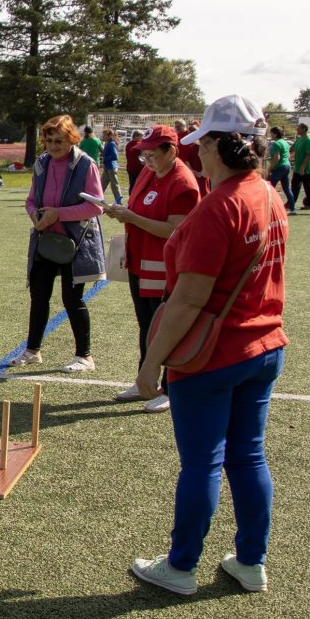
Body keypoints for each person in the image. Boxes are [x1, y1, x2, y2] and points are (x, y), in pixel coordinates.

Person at [130, 94, 287, 597]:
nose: (196, 151)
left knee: (202, 463)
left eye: (202, 143)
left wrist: (151, 363)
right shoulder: (268, 194)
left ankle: (180, 567)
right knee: (249, 457)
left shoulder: (219, 207)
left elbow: (188, 299)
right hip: (264, 344)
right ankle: (251, 561)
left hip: (213, 355)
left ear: (219, 146)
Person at [103, 125, 200, 412]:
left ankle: (171, 388)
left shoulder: (182, 182)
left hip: (163, 268)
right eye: (143, 156)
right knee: (146, 325)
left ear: (171, 151)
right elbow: (139, 210)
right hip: (140, 262)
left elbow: (175, 230)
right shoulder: (148, 173)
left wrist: (132, 217)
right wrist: (122, 214)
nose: (147, 161)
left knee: (166, 327)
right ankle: (145, 381)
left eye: (152, 155)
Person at [9, 114, 105, 372]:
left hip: (76, 244)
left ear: (72, 138)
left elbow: (96, 206)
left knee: (72, 300)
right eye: (49, 140)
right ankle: (32, 351)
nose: (53, 146)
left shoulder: (85, 164)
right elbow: (31, 200)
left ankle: (84, 356)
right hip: (46, 242)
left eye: (59, 140)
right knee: (39, 297)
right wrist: (35, 215)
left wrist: (58, 214)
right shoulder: (42, 163)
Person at [265, 127, 295, 215]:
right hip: (287, 165)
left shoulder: (276, 144)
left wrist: (270, 168)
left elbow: (276, 158)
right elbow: (288, 155)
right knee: (286, 188)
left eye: (271, 133)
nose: (270, 135)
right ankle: (292, 209)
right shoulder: (285, 142)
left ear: (275, 134)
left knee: (270, 188)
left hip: (279, 167)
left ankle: (270, 208)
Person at [290, 123, 310, 211]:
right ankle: (291, 202)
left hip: (305, 167)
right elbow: (291, 149)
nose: (297, 129)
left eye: (298, 128)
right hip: (297, 166)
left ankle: (309, 204)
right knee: (294, 185)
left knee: (307, 186)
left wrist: (303, 167)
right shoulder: (299, 139)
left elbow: (309, 154)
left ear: (304, 129)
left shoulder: (308, 140)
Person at [100, 128, 123, 204]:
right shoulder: (106, 143)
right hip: (107, 168)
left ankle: (119, 202)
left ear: (109, 136)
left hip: (111, 168)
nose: (102, 136)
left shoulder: (112, 144)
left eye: (104, 135)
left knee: (114, 186)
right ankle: (98, 198)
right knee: (101, 184)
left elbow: (115, 156)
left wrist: (105, 159)